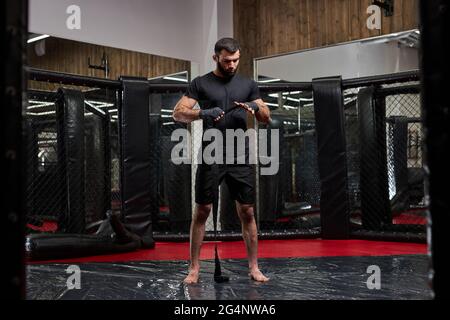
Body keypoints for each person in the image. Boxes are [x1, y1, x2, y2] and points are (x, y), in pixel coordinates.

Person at [173, 37, 271, 284]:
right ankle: (194, 269)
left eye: (236, 60)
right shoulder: (201, 83)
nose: (232, 65)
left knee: (247, 211)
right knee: (203, 210)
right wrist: (202, 112)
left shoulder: (248, 84)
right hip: (211, 153)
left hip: (240, 154)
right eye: (227, 60)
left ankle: (254, 267)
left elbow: (266, 118)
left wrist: (254, 107)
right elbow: (178, 113)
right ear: (216, 57)